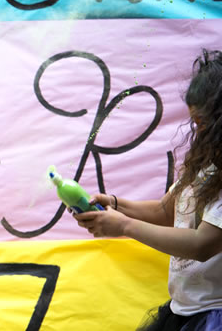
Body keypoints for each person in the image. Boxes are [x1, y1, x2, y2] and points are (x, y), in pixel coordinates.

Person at [73, 49, 222, 331]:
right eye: (194, 122)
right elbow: (165, 211)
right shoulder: (207, 164)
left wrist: (125, 226)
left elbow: (202, 245)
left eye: (203, 122)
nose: (197, 129)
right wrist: (115, 205)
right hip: (184, 312)